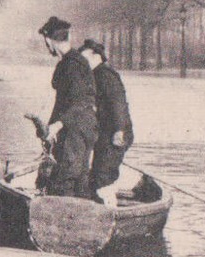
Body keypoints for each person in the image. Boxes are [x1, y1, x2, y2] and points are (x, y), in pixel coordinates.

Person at [38, 16, 97, 198]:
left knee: (65, 180)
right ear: (68, 37)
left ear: (49, 41)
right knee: (78, 179)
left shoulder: (72, 65)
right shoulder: (73, 62)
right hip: (79, 129)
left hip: (76, 131)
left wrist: (58, 125)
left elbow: (80, 102)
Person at [80, 39, 134, 194]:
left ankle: (103, 207)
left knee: (103, 176)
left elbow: (118, 104)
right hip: (105, 134)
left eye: (85, 58)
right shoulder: (95, 75)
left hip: (115, 135)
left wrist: (119, 131)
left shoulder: (106, 75)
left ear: (96, 55)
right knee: (98, 172)